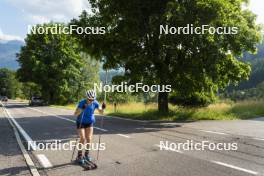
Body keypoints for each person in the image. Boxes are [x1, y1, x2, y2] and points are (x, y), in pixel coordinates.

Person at [74, 90, 106, 164]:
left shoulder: (95, 102)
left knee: (89, 138)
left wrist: (103, 108)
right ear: (87, 98)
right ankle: (79, 155)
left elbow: (101, 112)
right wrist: (82, 108)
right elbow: (75, 113)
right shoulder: (82, 102)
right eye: (90, 99)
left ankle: (86, 154)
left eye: (93, 99)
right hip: (81, 122)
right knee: (82, 138)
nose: (91, 101)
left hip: (89, 122)